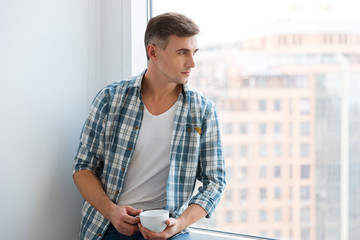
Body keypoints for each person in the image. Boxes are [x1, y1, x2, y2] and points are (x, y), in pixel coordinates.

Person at [72, 12, 226, 240]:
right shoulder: (110, 99)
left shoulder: (203, 111)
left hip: (170, 230)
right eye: (182, 52)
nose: (192, 63)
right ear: (152, 52)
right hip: (108, 226)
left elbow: (215, 182)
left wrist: (179, 224)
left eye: (194, 53)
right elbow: (83, 168)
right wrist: (111, 211)